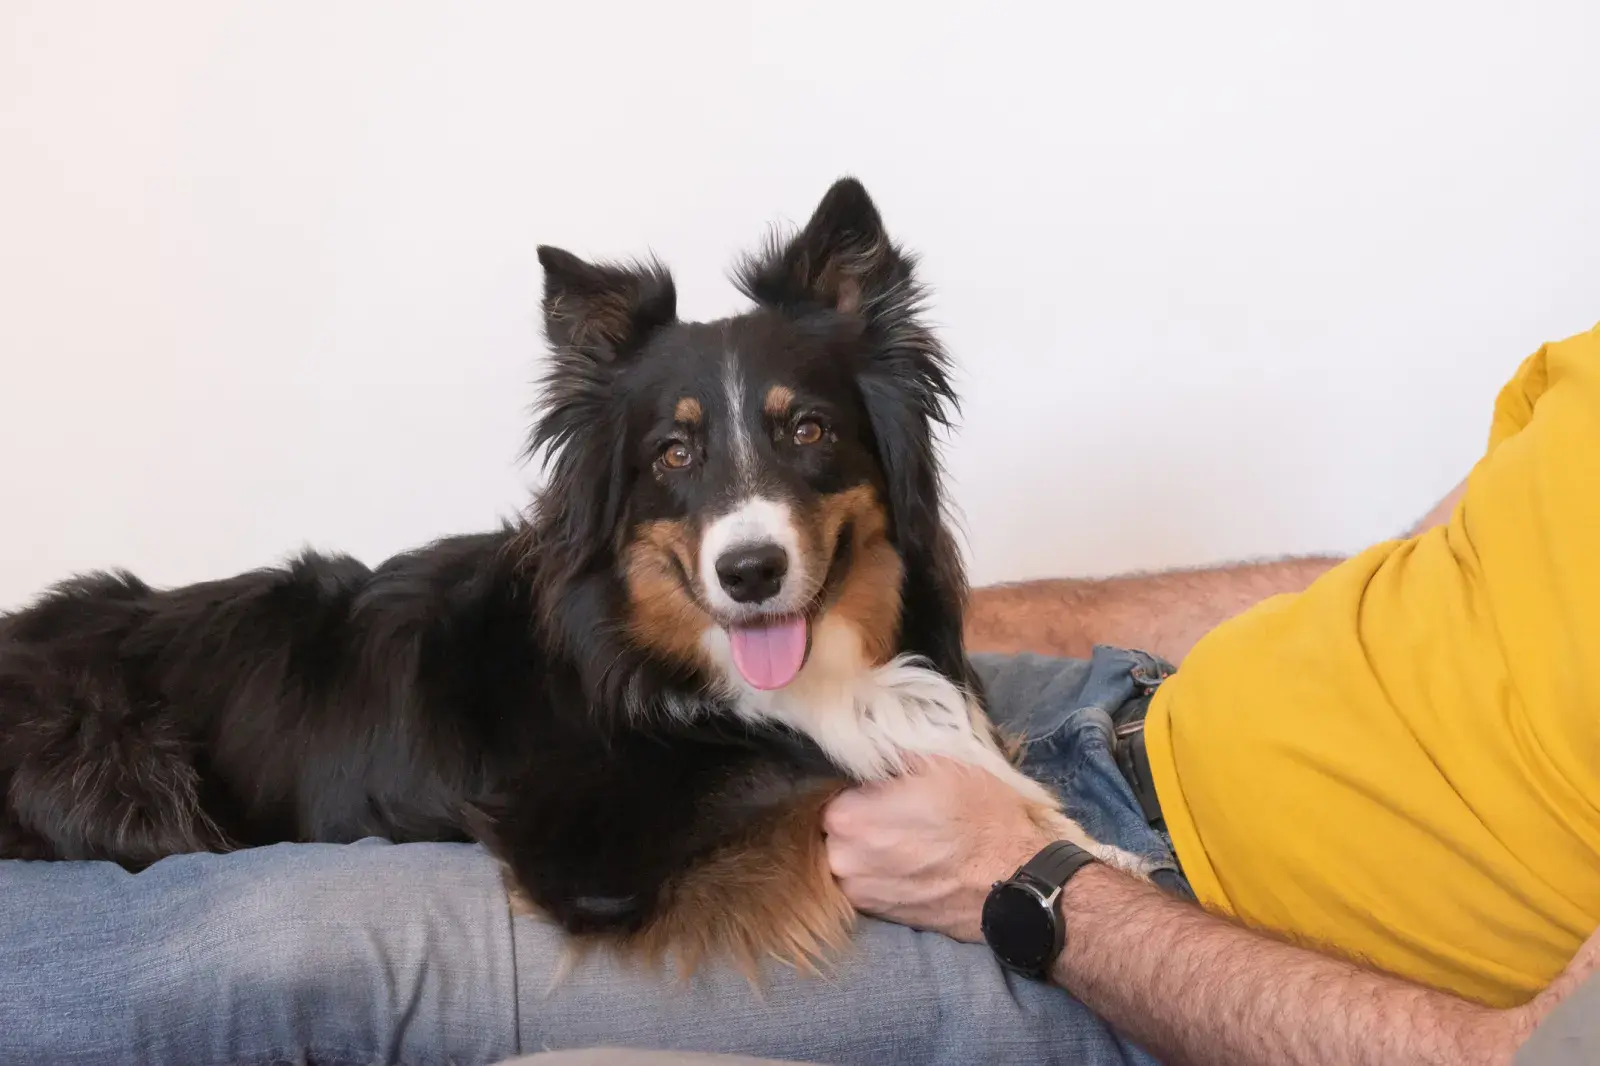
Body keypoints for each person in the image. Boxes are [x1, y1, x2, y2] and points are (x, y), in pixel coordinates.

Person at [2, 322, 1597, 1066]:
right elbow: (1404, 574)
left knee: (305, 948)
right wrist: (888, 641)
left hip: (1156, 940)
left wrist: (1038, 887)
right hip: (1111, 707)